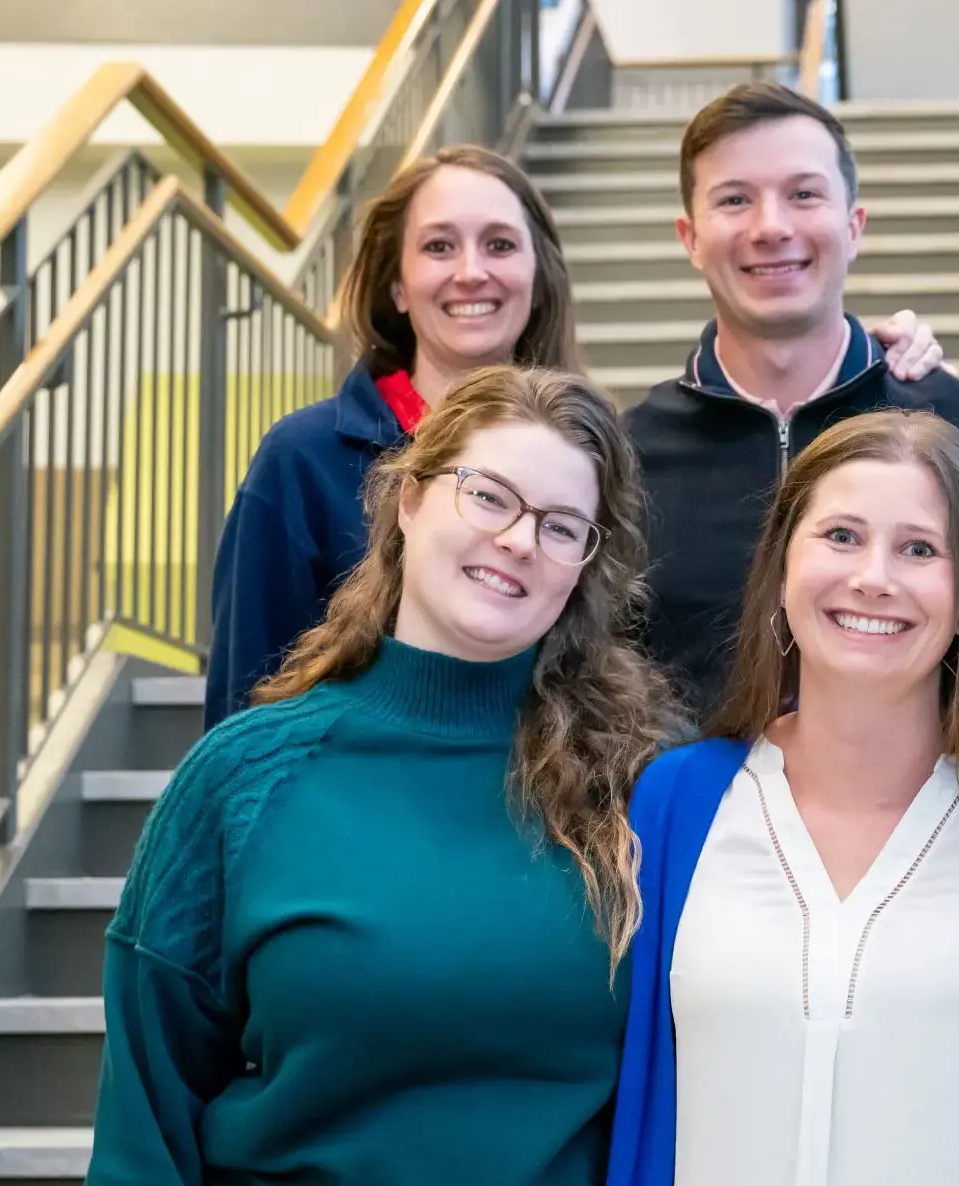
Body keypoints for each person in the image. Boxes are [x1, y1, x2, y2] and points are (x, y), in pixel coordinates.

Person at [91, 367, 674, 1185]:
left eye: (561, 525)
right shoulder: (242, 778)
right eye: (489, 496)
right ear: (409, 501)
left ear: (583, 564)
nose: (517, 540)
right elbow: (143, 1128)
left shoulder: (648, 786)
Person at [202, 145, 945, 726]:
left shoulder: (598, 455)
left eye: (499, 245)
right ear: (396, 284)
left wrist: (889, 354)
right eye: (437, 248)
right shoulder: (305, 460)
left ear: (537, 272)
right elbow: (247, 697)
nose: (471, 273)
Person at [609, 411, 959, 1186]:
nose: (874, 576)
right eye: (841, 536)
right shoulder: (678, 802)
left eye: (919, 549)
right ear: (782, 564)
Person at [629, 82, 959, 713]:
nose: (772, 227)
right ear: (690, 238)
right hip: (694, 803)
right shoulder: (626, 457)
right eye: (735, 199)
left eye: (803, 194)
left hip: (934, 803)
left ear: (854, 226)